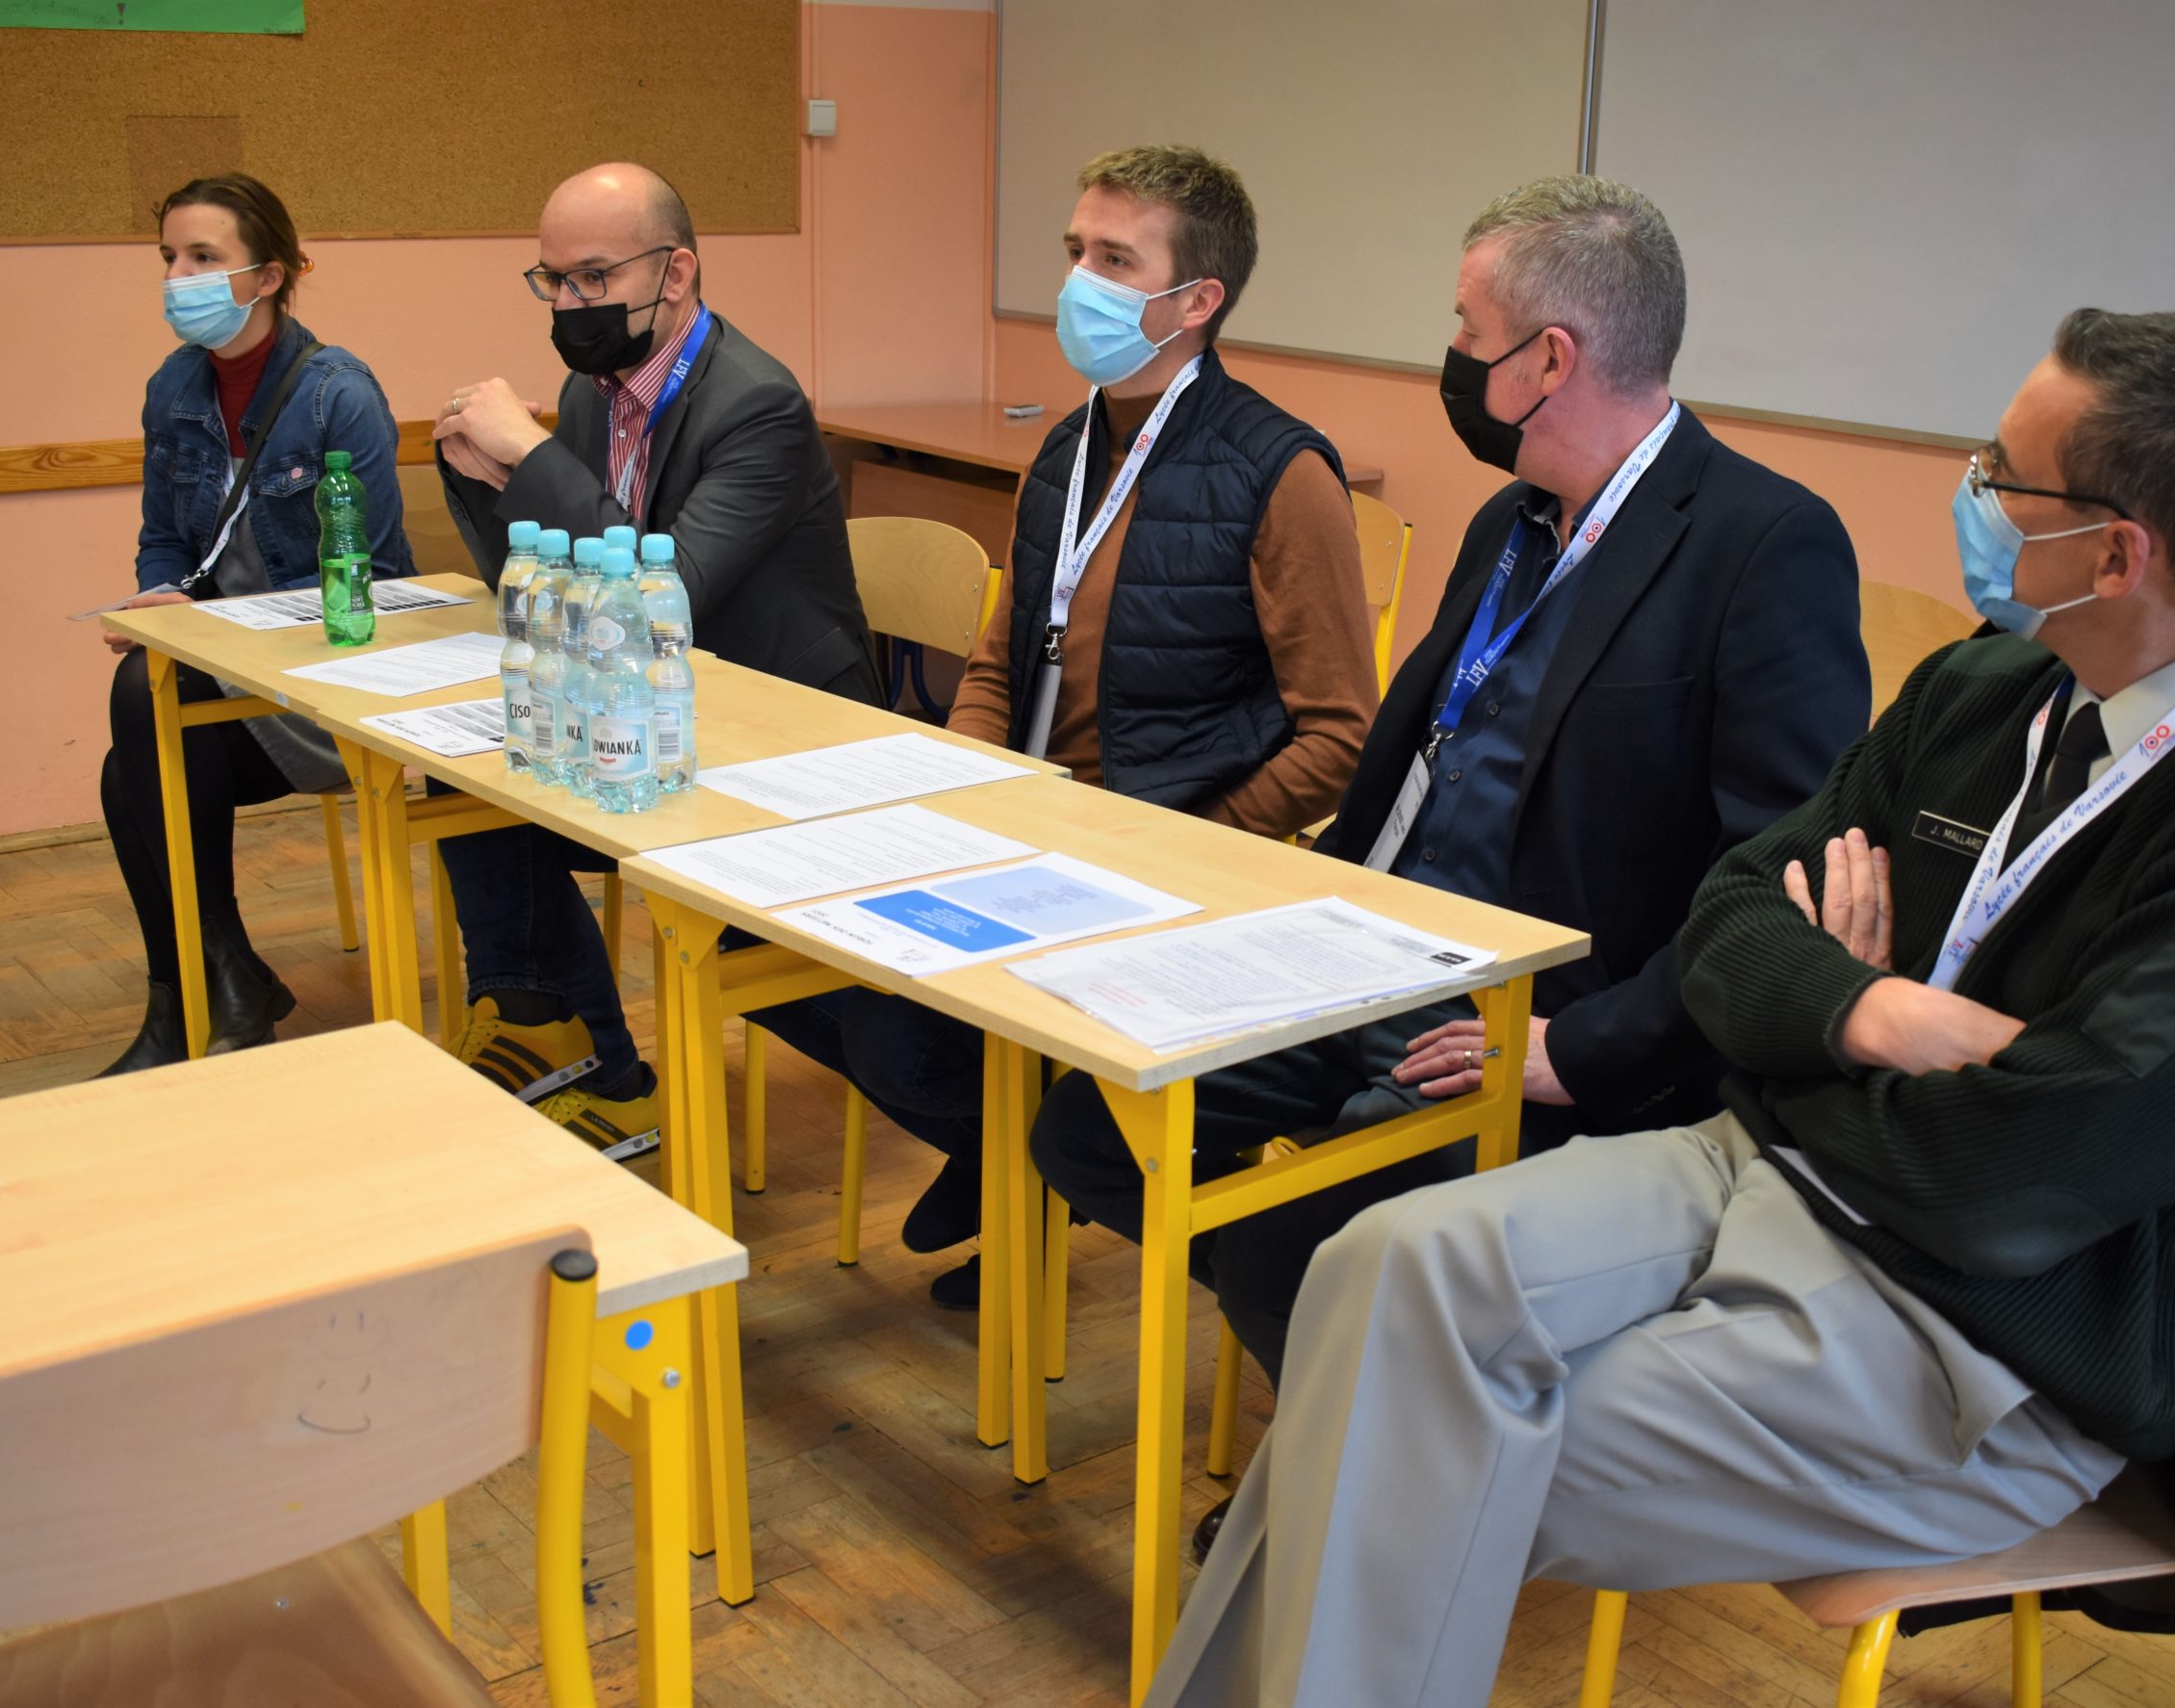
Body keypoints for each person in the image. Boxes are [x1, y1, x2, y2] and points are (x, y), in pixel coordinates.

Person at [1138, 307, 2175, 1707]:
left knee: (1402, 1431)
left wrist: (1804, 1027)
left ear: (2117, 554)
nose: (1972, 495)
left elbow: (2011, 1184)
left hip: (1984, 1335)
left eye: (2001, 477)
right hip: (1766, 1165)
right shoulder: (1990, 688)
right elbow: (1732, 918)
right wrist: (1874, 1016)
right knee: (1369, 1278)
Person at [1029, 172, 1869, 1499]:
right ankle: (1398, 1394)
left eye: (1469, 332)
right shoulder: (1511, 518)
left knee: (1291, 1244)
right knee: (1088, 1125)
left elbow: (1773, 885)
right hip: (1368, 957)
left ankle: (1383, 1483)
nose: (1454, 357)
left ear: (1550, 360)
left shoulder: (1762, 545)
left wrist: (1578, 1051)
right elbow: (1410, 766)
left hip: (1537, 1024)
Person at [746, 144, 1376, 1305]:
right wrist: (967, 792)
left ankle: (1024, 1163)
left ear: (1196, 300)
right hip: (1031, 836)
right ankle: (1007, 1159)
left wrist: (1187, 841)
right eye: (1075, 250)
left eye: (1115, 259)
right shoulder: (1068, 446)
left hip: (1159, 861)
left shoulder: (1278, 472)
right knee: (780, 954)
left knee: (900, 1035)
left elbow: (1339, 736)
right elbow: (1000, 657)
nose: (1079, 281)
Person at [429, 161, 877, 1155]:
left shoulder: (758, 404)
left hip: (784, 733)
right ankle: (565, 1037)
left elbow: (658, 598)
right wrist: (486, 477)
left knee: (524, 791)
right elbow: (557, 584)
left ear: (675, 274)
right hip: (661, 707)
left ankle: (585, 1050)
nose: (570, 304)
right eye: (553, 281)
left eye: (594, 277)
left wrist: (531, 456)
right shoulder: (592, 393)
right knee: (473, 777)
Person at [97, 174, 410, 1075]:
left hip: (331, 683)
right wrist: (160, 601)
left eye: (204, 257)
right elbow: (164, 539)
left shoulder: (337, 393)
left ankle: (210, 993)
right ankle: (207, 987)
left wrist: (214, 629)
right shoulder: (173, 388)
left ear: (269, 277)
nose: (177, 278)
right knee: (134, 752)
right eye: (169, 257)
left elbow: (371, 580)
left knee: (140, 731)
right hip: (227, 680)